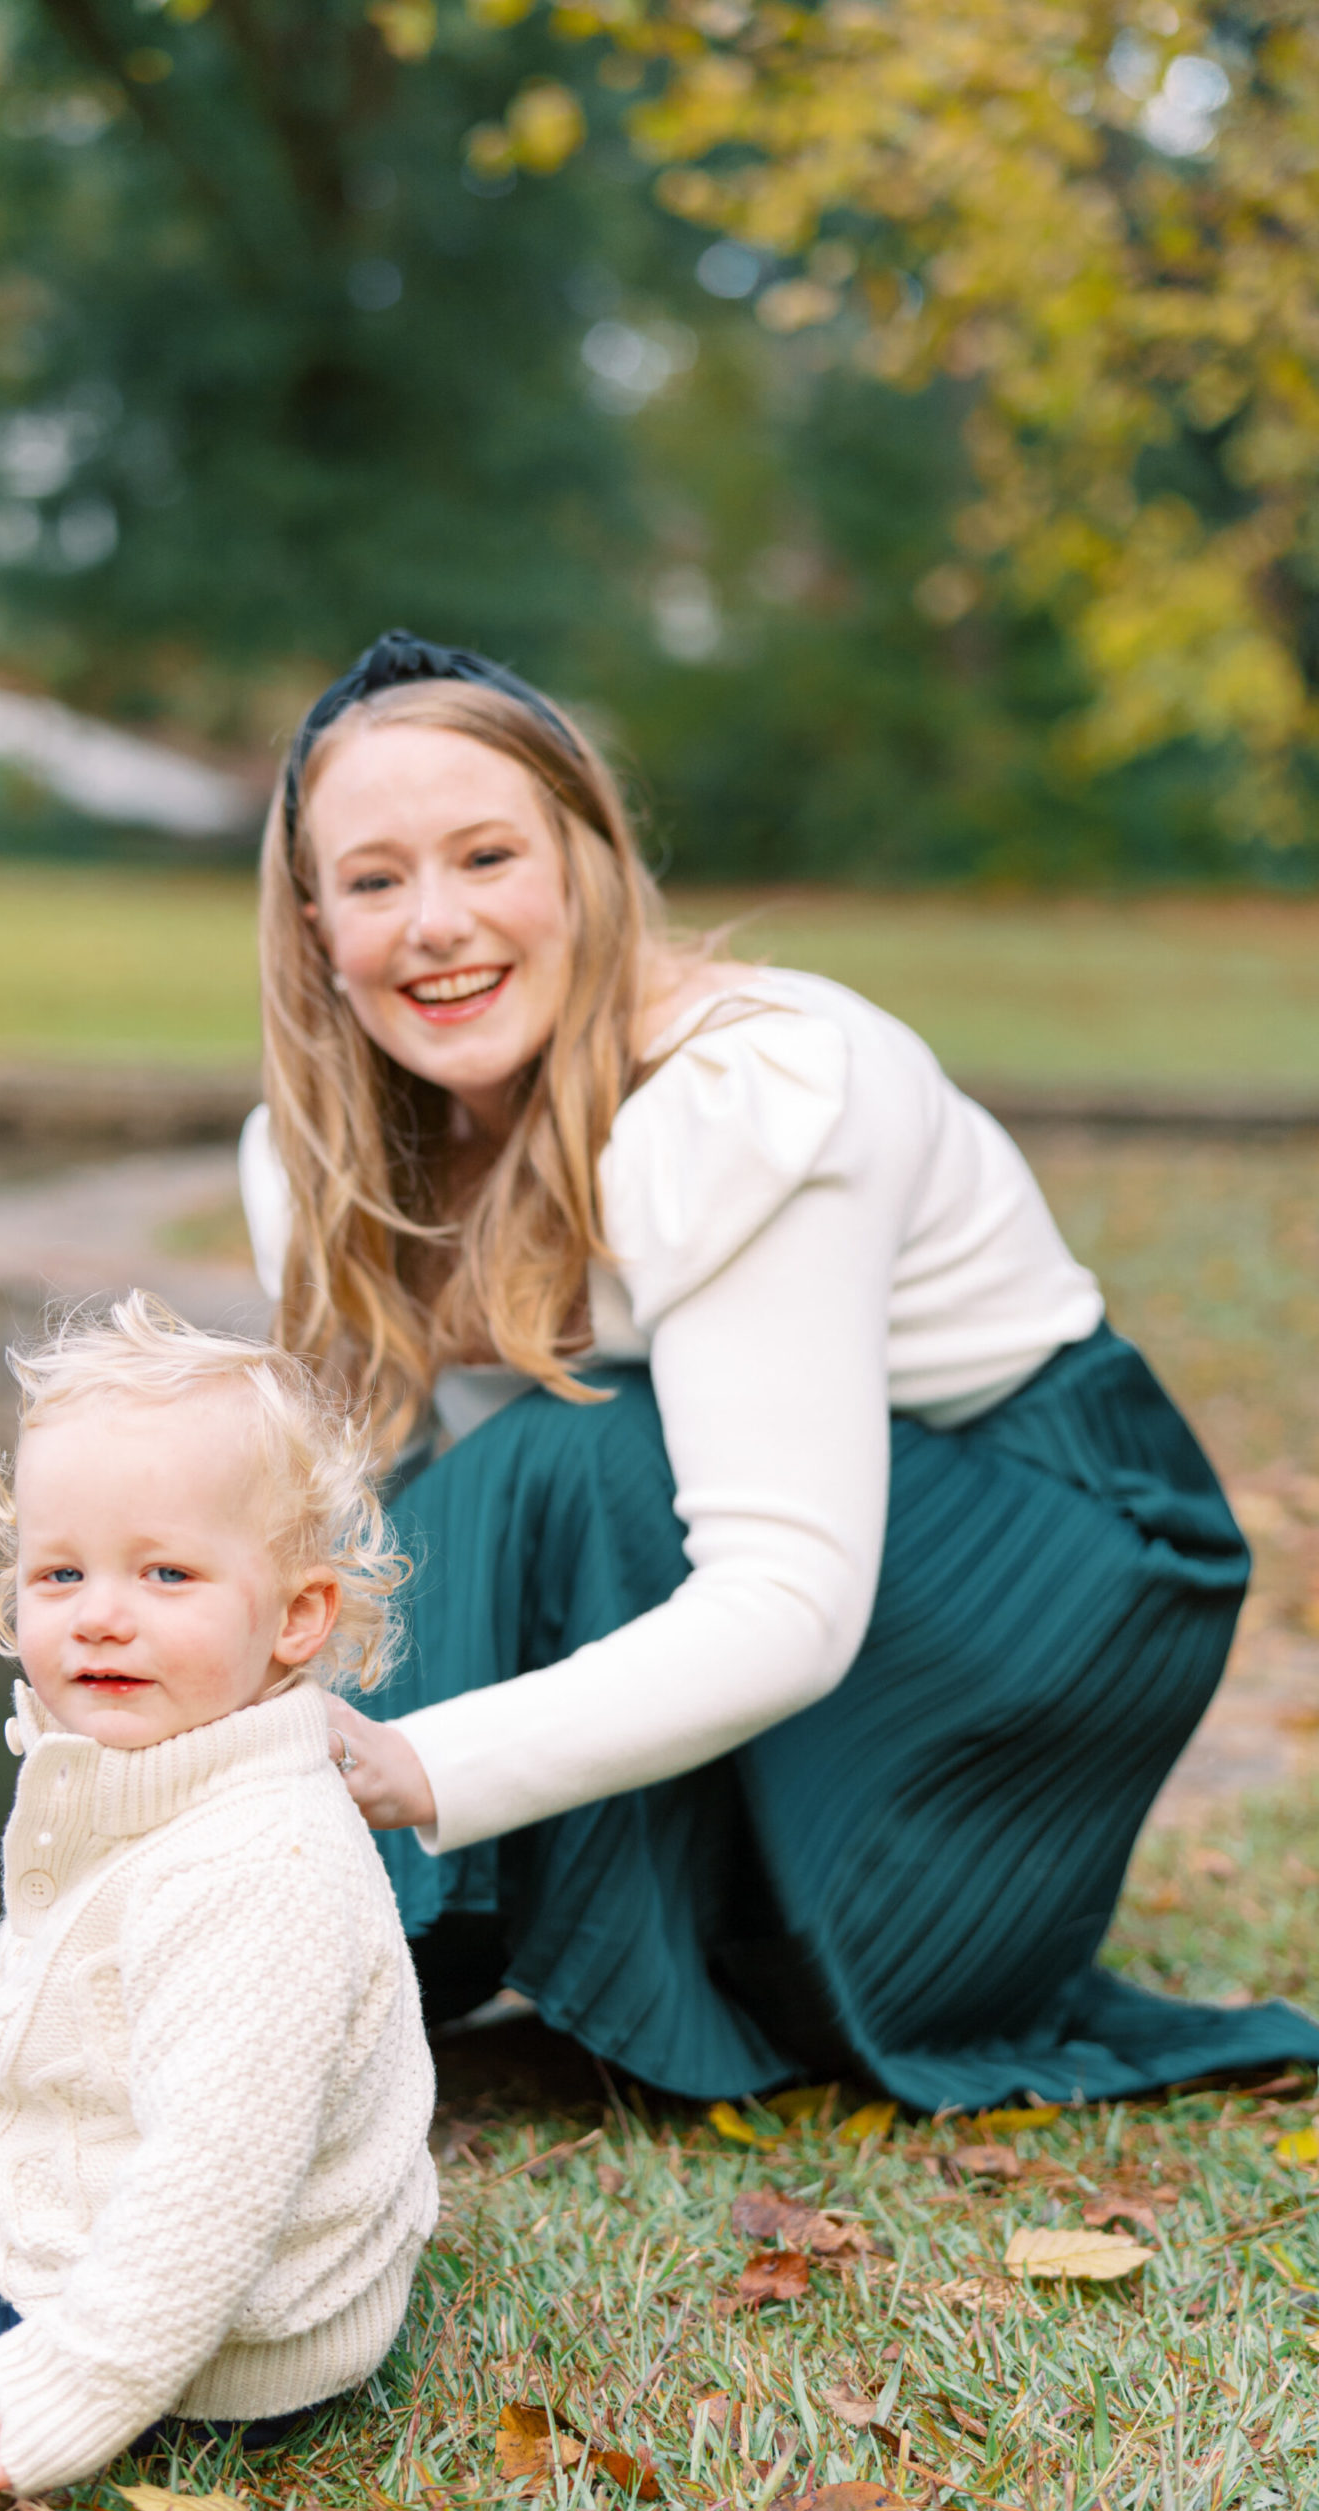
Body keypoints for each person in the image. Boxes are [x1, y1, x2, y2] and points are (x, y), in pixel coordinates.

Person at [241, 627, 1319, 2112]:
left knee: (577, 1455)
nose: (433, 922)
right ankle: (186, 2018)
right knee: (411, 1541)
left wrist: (405, 1768)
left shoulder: (763, 1086)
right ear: (312, 926)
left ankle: (239, 2030)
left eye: (487, 857)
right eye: (375, 880)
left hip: (1054, 1563)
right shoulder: (321, 1165)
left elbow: (784, 1602)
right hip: (788, 1527)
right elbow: (413, 1537)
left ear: (589, 868)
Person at [0, 1295, 437, 2495]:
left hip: (220, 2349)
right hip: (151, 2159)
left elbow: (210, 2192)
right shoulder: (178, 1757)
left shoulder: (261, 1877)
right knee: (3, 2038)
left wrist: (64, 2391)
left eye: (167, 1572)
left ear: (296, 1615)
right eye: (61, 1572)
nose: (103, 1613)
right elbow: (73, 2009)